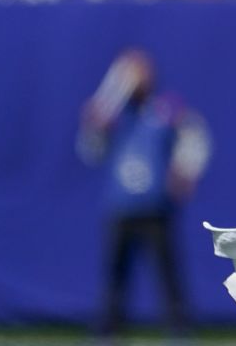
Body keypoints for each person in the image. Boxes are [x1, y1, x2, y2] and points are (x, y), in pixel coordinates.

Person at [77, 49, 212, 339]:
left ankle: (179, 330)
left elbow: (194, 136)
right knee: (115, 275)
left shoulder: (166, 109)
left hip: (156, 206)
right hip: (121, 206)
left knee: (167, 272)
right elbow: (90, 150)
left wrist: (185, 170)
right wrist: (96, 121)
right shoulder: (111, 114)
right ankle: (107, 331)